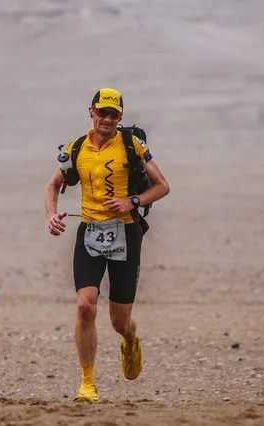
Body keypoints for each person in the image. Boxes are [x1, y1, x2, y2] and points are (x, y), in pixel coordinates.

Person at [44, 88, 171, 402]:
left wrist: (133, 201)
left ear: (120, 117)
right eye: (103, 112)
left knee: (119, 321)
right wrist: (52, 215)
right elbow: (53, 185)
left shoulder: (132, 146)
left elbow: (163, 185)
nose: (107, 119)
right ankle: (87, 384)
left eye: (114, 114)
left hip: (125, 234)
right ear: (92, 112)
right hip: (89, 232)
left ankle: (130, 339)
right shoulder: (77, 148)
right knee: (85, 306)